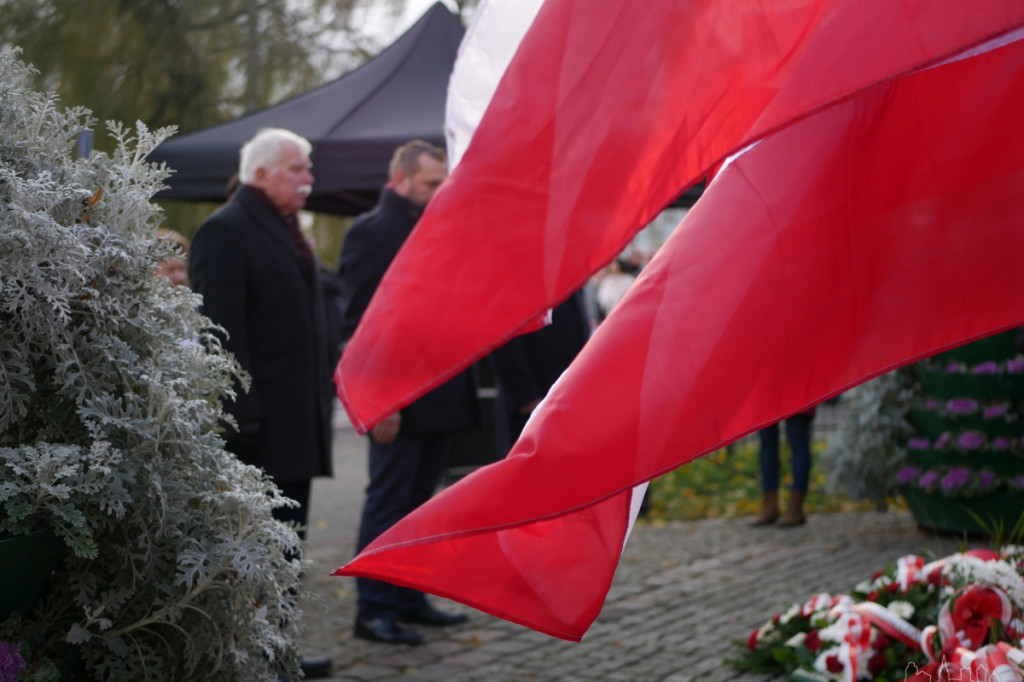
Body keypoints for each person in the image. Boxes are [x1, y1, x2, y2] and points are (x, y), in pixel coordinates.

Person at [187, 128, 333, 678]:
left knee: (286, 550)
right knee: (258, 552)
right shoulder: (226, 231)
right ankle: (250, 659)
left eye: (308, 170)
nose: (309, 180)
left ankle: (277, 651)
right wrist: (242, 420)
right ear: (262, 173)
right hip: (260, 432)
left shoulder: (283, 229)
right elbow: (222, 336)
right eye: (298, 169)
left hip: (295, 424)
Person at [338, 140, 478, 646]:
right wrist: (383, 401)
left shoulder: (440, 226)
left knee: (421, 503)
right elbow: (361, 326)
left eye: (443, 182)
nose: (439, 192)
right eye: (430, 183)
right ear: (399, 179)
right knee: (389, 502)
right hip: (397, 397)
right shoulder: (371, 233)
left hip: (440, 389)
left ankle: (409, 597)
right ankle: (373, 609)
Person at [490, 290, 590, 450]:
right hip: (533, 396)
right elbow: (501, 327)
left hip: (569, 393)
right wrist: (525, 395)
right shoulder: (515, 271)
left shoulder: (565, 271)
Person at [751, 408, 816, 526]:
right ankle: (769, 504)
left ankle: (795, 507)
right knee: (767, 442)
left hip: (796, 391)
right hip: (766, 393)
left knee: (798, 439)